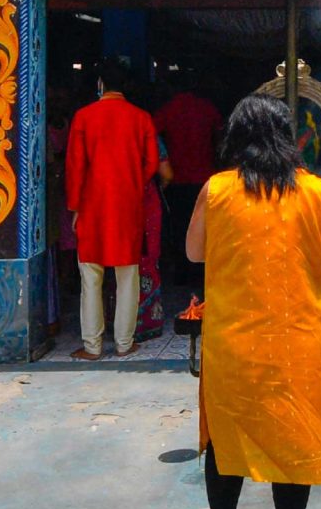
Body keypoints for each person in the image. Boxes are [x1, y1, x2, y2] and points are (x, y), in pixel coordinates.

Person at [186, 94, 321, 509]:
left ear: (236, 138)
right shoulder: (314, 190)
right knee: (292, 440)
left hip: (235, 343)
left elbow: (194, 252)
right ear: (287, 138)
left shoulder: (217, 189)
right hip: (299, 341)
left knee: (226, 441)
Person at [65, 58, 159, 360]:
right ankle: (124, 342)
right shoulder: (142, 118)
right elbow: (152, 162)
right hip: (128, 206)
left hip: (92, 206)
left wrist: (75, 206)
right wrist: (133, 183)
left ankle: (92, 346)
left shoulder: (83, 117)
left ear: (100, 84)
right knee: (127, 276)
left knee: (91, 277)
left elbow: (75, 167)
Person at [154, 79, 222, 285]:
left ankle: (182, 271)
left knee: (180, 227)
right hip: (204, 178)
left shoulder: (170, 108)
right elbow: (220, 133)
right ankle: (201, 272)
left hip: (178, 178)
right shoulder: (207, 108)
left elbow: (151, 132)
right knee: (205, 227)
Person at [135, 137, 174, 342]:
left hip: (113, 203)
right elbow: (167, 173)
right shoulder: (148, 135)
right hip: (146, 202)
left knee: (119, 266)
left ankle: (118, 324)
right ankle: (148, 321)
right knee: (148, 261)